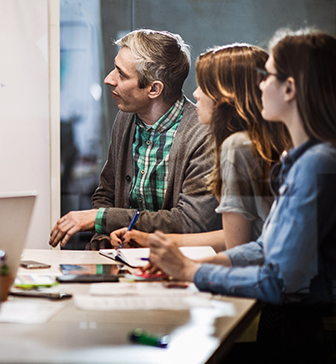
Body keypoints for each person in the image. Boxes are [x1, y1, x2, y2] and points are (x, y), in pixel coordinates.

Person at [146, 30, 336, 362]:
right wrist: (188, 264)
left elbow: (277, 281)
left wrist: (192, 272)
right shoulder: (302, 158)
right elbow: (266, 247)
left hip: (311, 333)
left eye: (268, 76)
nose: (260, 84)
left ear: (290, 88)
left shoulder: (317, 162)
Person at [109, 44, 291, 251]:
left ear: (227, 95)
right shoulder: (260, 143)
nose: (195, 94)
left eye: (204, 86)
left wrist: (187, 270)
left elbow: (237, 249)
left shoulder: (236, 146)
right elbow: (242, 237)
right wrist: (150, 240)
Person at [49, 29, 220, 249]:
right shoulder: (125, 119)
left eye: (121, 74)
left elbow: (190, 222)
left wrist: (102, 219)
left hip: (176, 268)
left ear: (154, 89)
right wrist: (105, 236)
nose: (109, 79)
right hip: (126, 264)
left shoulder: (202, 134)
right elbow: (106, 193)